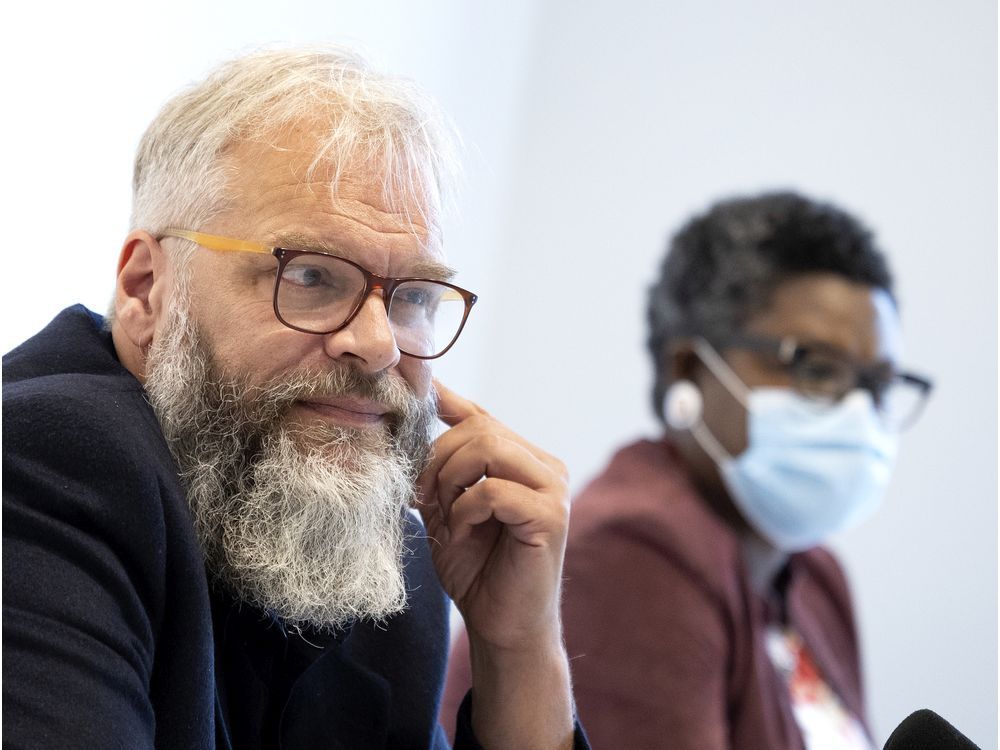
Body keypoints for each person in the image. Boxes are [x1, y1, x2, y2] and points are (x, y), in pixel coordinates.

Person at [2, 46, 588, 750]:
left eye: (413, 296)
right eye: (311, 276)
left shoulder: (383, 547)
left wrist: (520, 648)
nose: (378, 345)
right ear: (145, 289)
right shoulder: (44, 460)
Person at [442, 191, 933, 748]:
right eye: (817, 369)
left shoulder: (817, 578)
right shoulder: (631, 555)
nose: (858, 412)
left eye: (876, 385)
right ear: (691, 370)